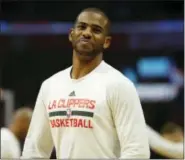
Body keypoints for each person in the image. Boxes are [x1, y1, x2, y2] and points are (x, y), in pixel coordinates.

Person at [21, 8, 150, 159]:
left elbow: (137, 152)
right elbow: (34, 151)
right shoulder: (50, 85)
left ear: (106, 42)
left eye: (96, 30)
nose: (87, 33)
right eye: (82, 27)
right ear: (71, 34)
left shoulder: (119, 85)